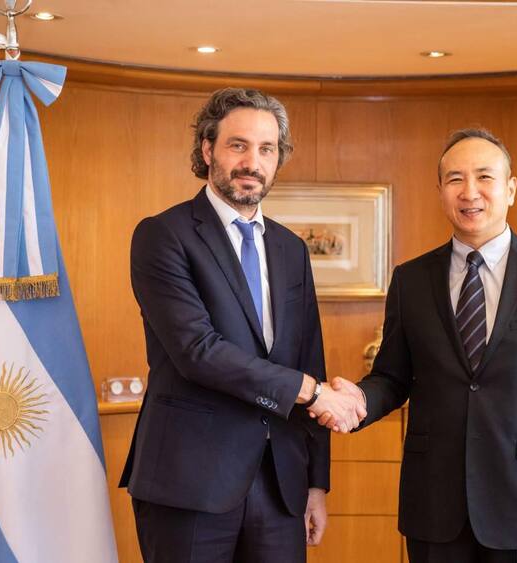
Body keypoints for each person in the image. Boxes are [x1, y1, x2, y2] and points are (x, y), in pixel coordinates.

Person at [323, 128, 517, 562]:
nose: (469, 191)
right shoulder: (411, 280)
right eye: (455, 179)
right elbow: (393, 377)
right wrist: (358, 398)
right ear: (440, 192)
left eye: (484, 177)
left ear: (510, 188)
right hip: (434, 503)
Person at [119, 87, 364, 563]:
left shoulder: (292, 250)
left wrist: (316, 482)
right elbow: (198, 351)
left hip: (280, 486)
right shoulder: (162, 236)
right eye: (238, 145)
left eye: (267, 149)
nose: (253, 161)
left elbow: (309, 357)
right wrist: (312, 393)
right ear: (208, 148)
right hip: (189, 484)